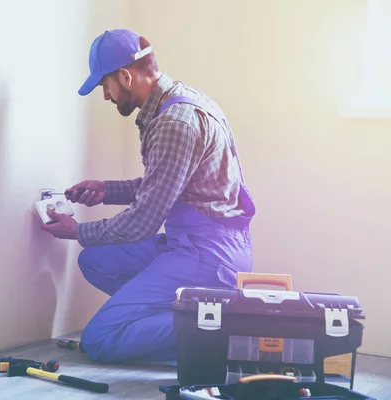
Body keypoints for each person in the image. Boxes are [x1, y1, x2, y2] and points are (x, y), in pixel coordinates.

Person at [40, 28, 256, 363]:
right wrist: (107, 190)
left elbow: (143, 221)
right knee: (95, 261)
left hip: (207, 258)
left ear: (124, 76)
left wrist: (77, 231)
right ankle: (190, 322)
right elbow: (169, 184)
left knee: (100, 339)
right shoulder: (186, 100)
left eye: (104, 86)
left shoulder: (174, 122)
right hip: (194, 244)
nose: (106, 96)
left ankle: (220, 324)